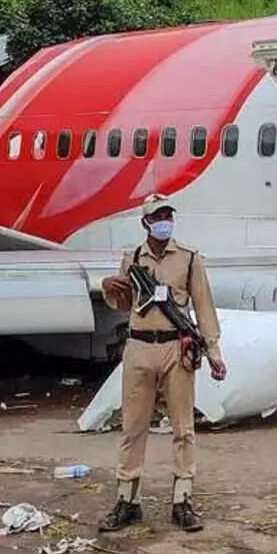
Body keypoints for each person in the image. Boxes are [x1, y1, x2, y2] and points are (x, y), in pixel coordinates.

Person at [97, 193, 226, 533]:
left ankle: (183, 501)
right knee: (132, 427)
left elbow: (204, 306)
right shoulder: (132, 259)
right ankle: (128, 501)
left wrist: (213, 351)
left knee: (183, 427)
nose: (164, 222)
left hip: (175, 347)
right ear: (146, 222)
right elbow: (124, 305)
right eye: (157, 217)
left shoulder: (188, 258)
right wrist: (108, 288)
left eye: (168, 215)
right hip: (139, 346)